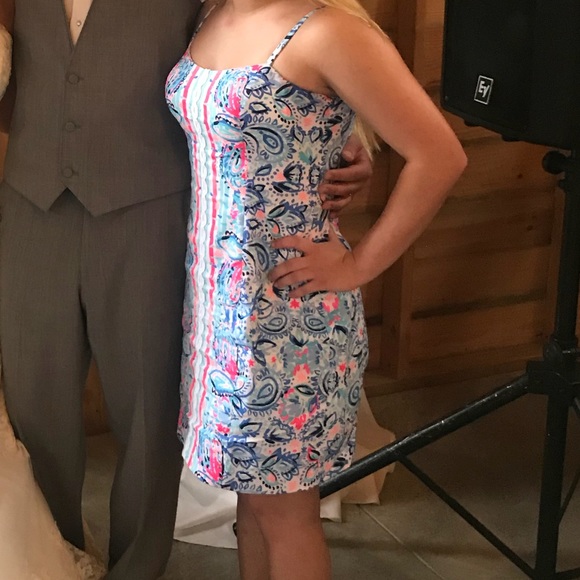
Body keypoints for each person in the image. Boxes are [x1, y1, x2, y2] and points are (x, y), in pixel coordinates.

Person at [0, 1, 371, 578]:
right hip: (31, 204)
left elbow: (279, 24)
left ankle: (139, 567)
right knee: (33, 406)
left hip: (150, 209)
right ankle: (55, 564)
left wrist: (346, 134)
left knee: (148, 413)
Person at [165, 0, 467, 579]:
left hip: (289, 316)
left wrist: (356, 267)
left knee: (284, 513)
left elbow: (440, 156)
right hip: (217, 307)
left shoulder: (327, 30)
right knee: (254, 501)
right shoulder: (212, 11)